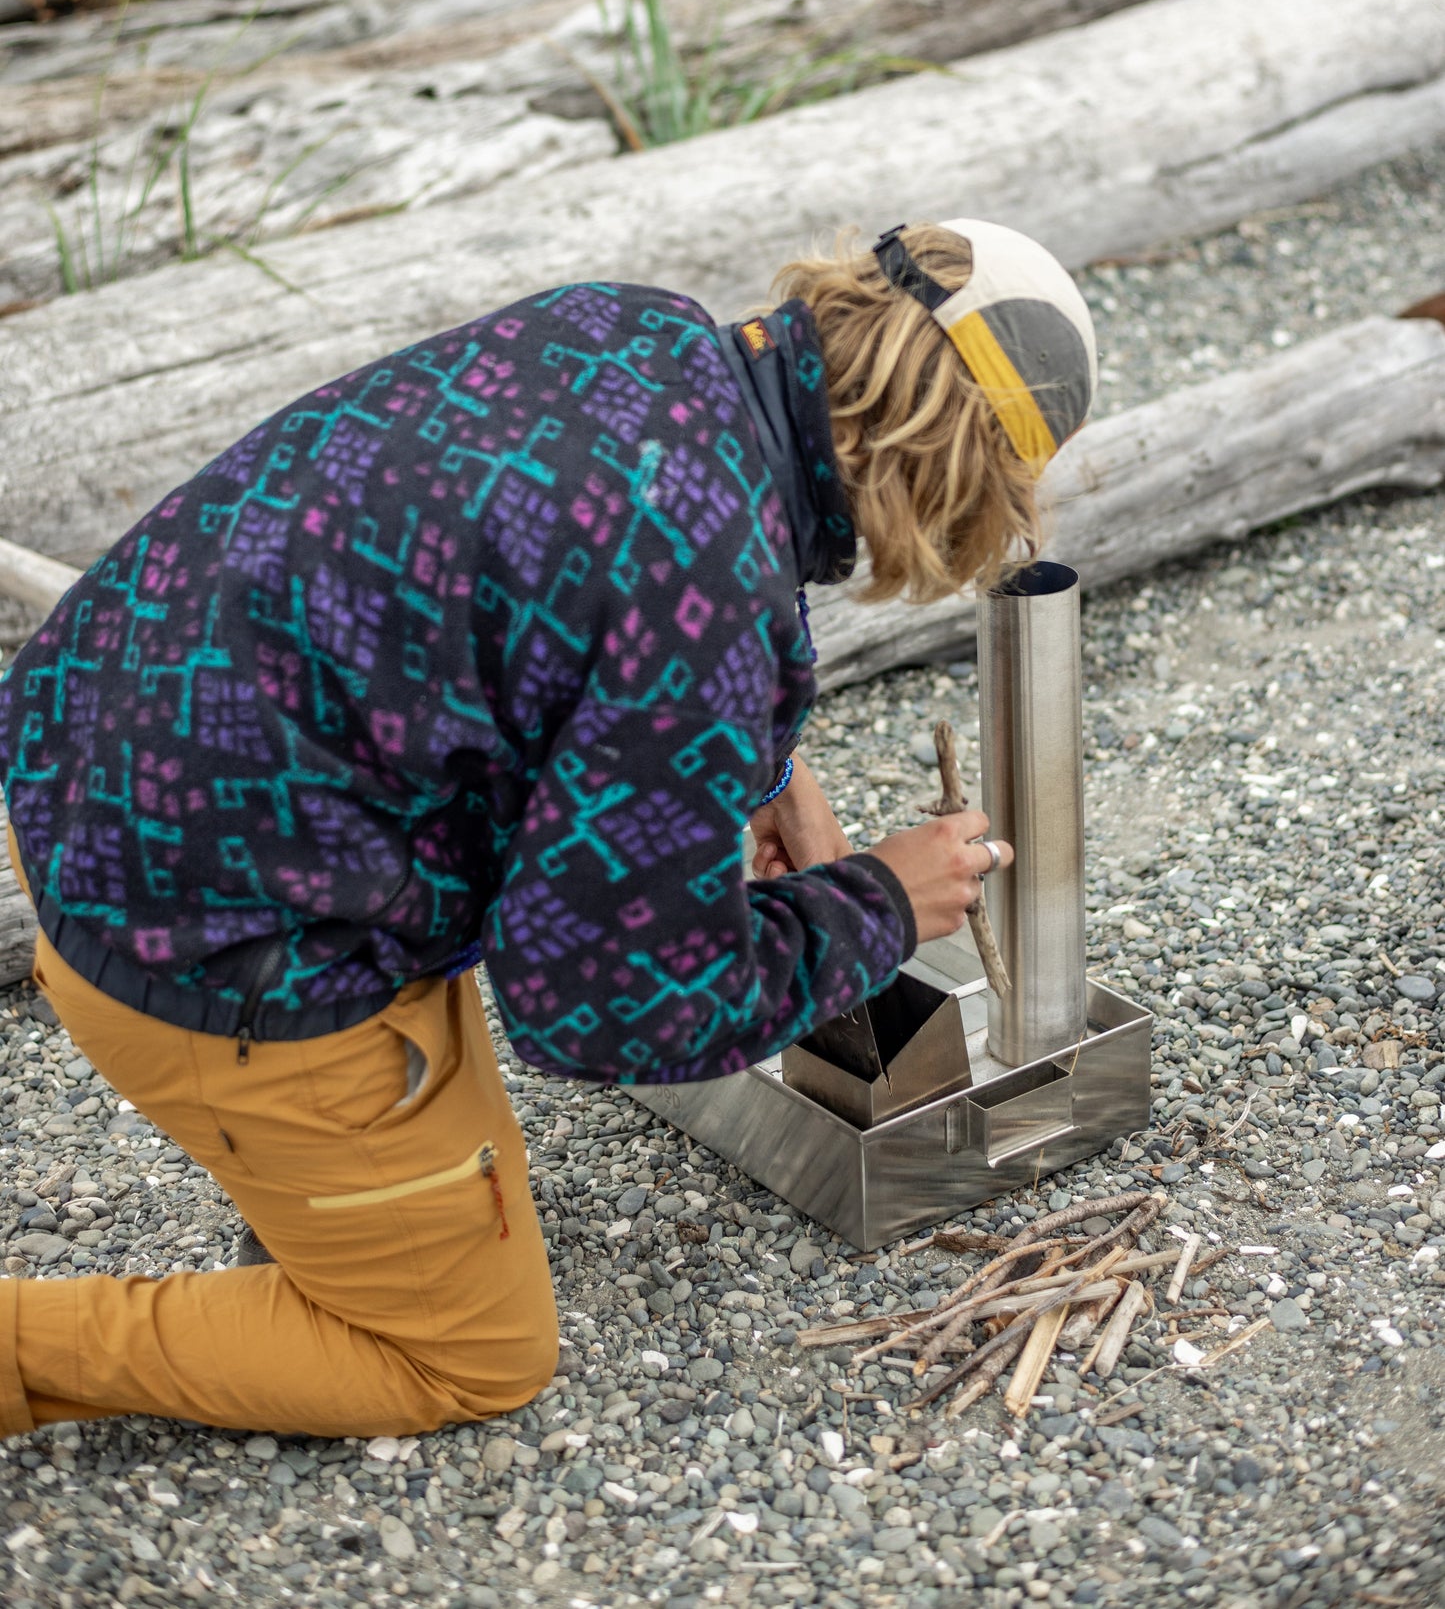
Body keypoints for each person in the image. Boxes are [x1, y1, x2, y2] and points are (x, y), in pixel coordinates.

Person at [0, 217, 1096, 1440]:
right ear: (956, 474)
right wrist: (878, 903)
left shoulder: (639, 328)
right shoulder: (703, 598)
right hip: (205, 930)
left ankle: (319, 1192)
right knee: (467, 1357)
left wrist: (752, 760)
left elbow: (537, 585)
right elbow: (598, 1006)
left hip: (86, 744)